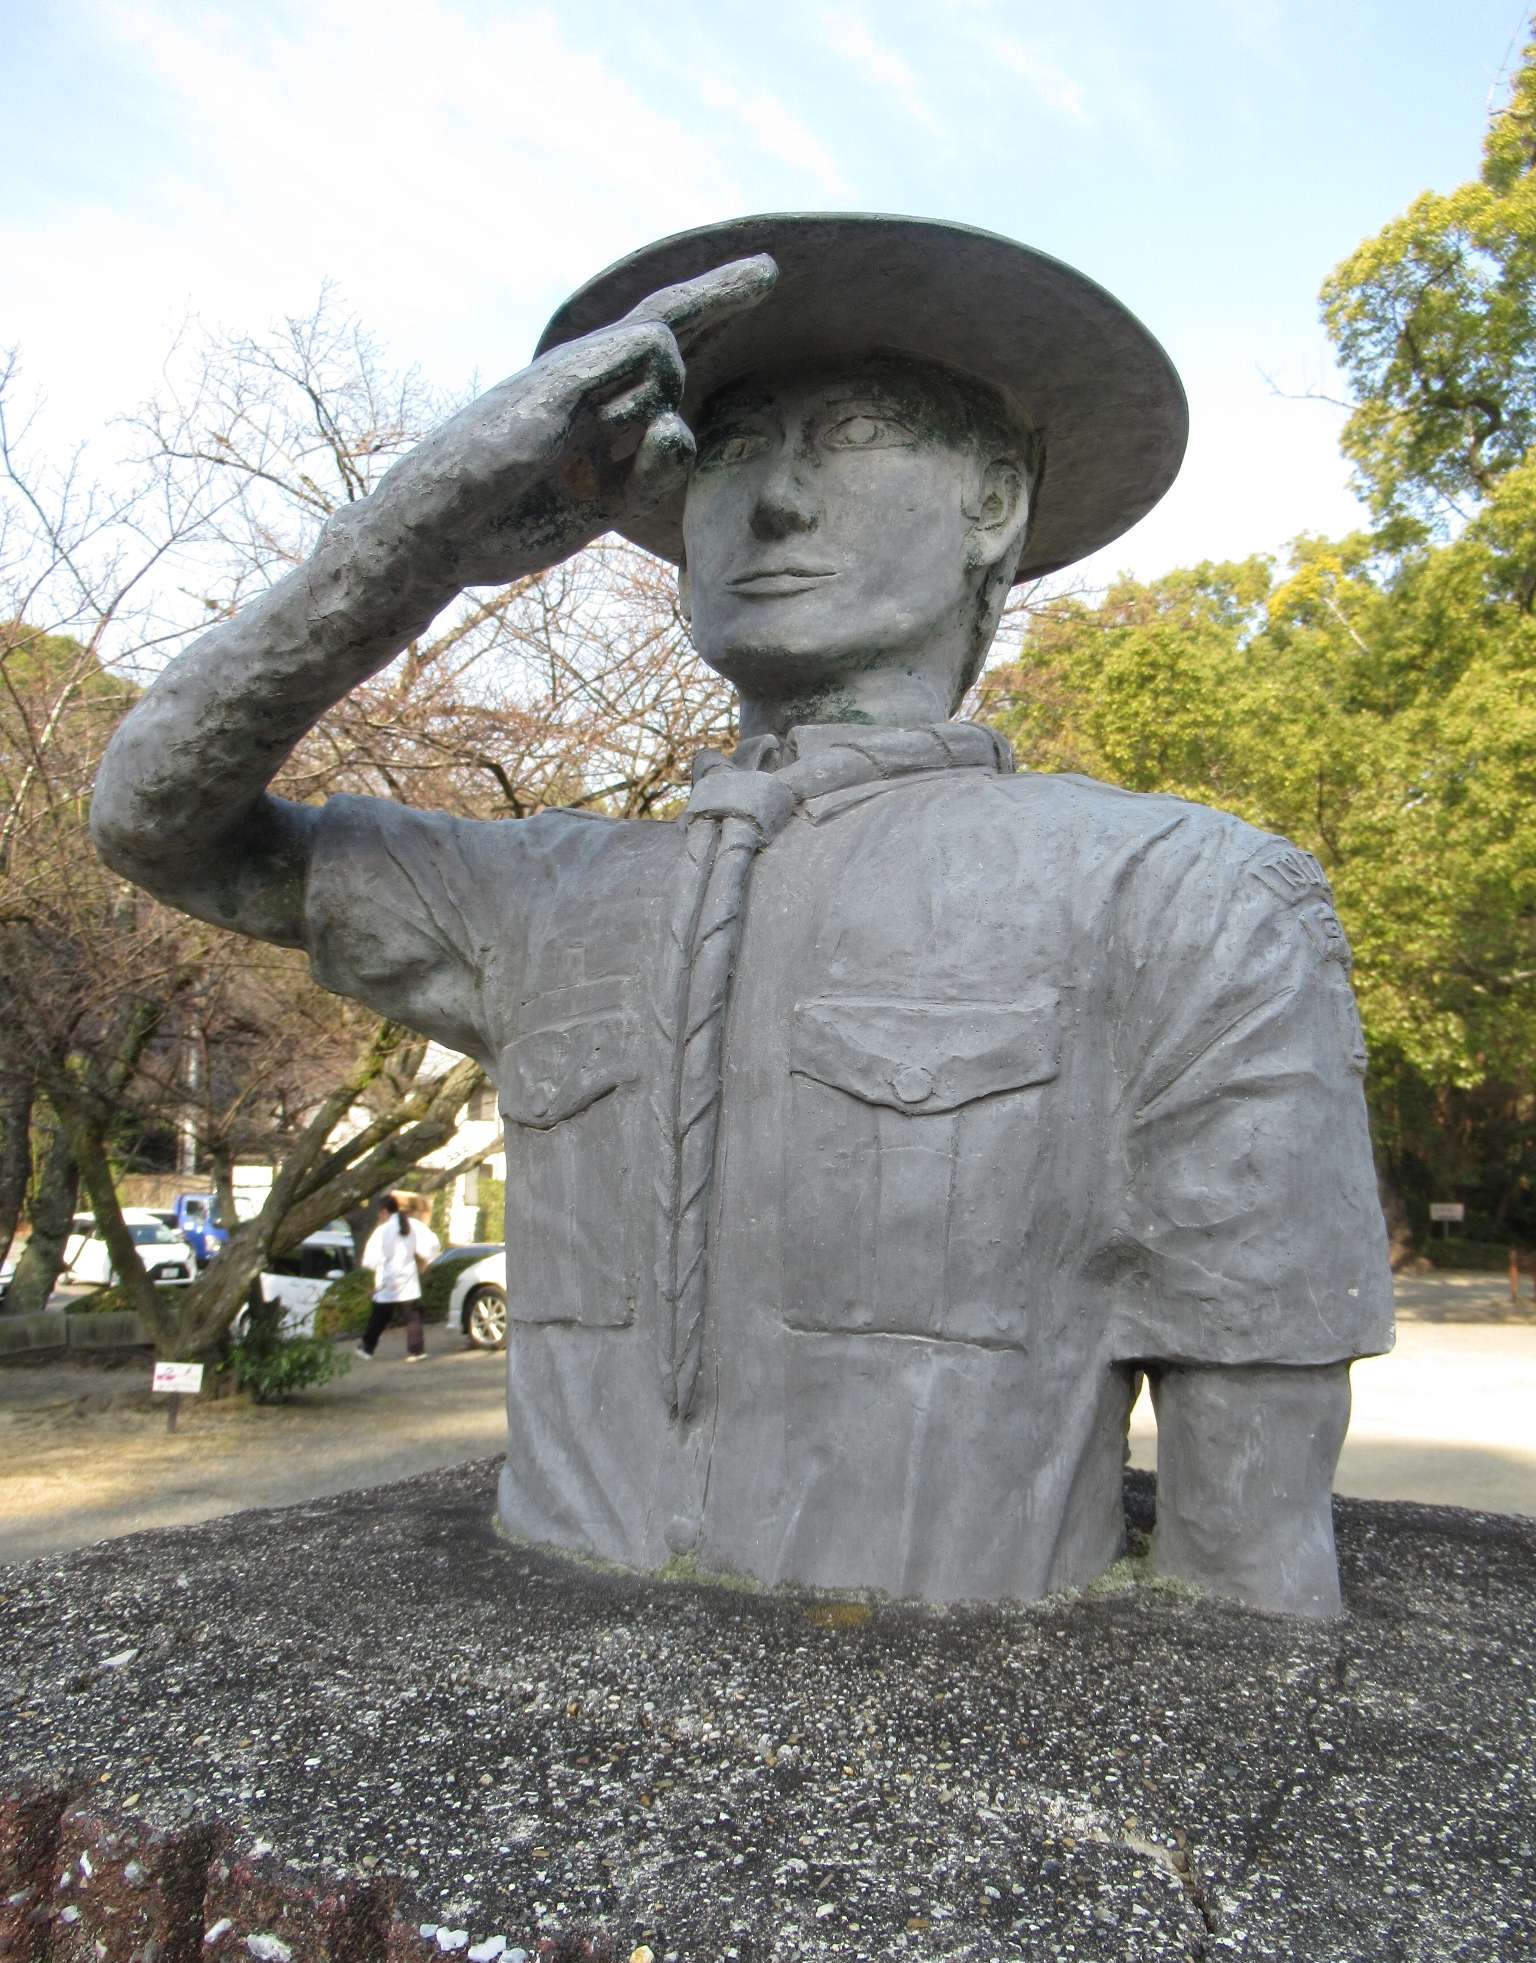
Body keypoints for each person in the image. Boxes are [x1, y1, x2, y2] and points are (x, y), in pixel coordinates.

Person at [89, 214, 1393, 1614]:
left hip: (941, 1744)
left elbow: (1248, 1559)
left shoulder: (1181, 896)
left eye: (854, 432)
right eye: (733, 444)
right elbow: (160, 822)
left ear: (995, 502)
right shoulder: (547, 892)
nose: (773, 501)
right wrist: (408, 548)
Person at [358, 1195, 435, 1360]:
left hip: (388, 1278)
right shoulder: (413, 1225)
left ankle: (367, 1348)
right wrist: (426, 1259)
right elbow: (430, 1245)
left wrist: (371, 1267)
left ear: (384, 1212)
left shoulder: (383, 1230)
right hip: (408, 1276)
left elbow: (371, 1259)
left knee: (380, 1315)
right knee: (412, 1316)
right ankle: (417, 1350)